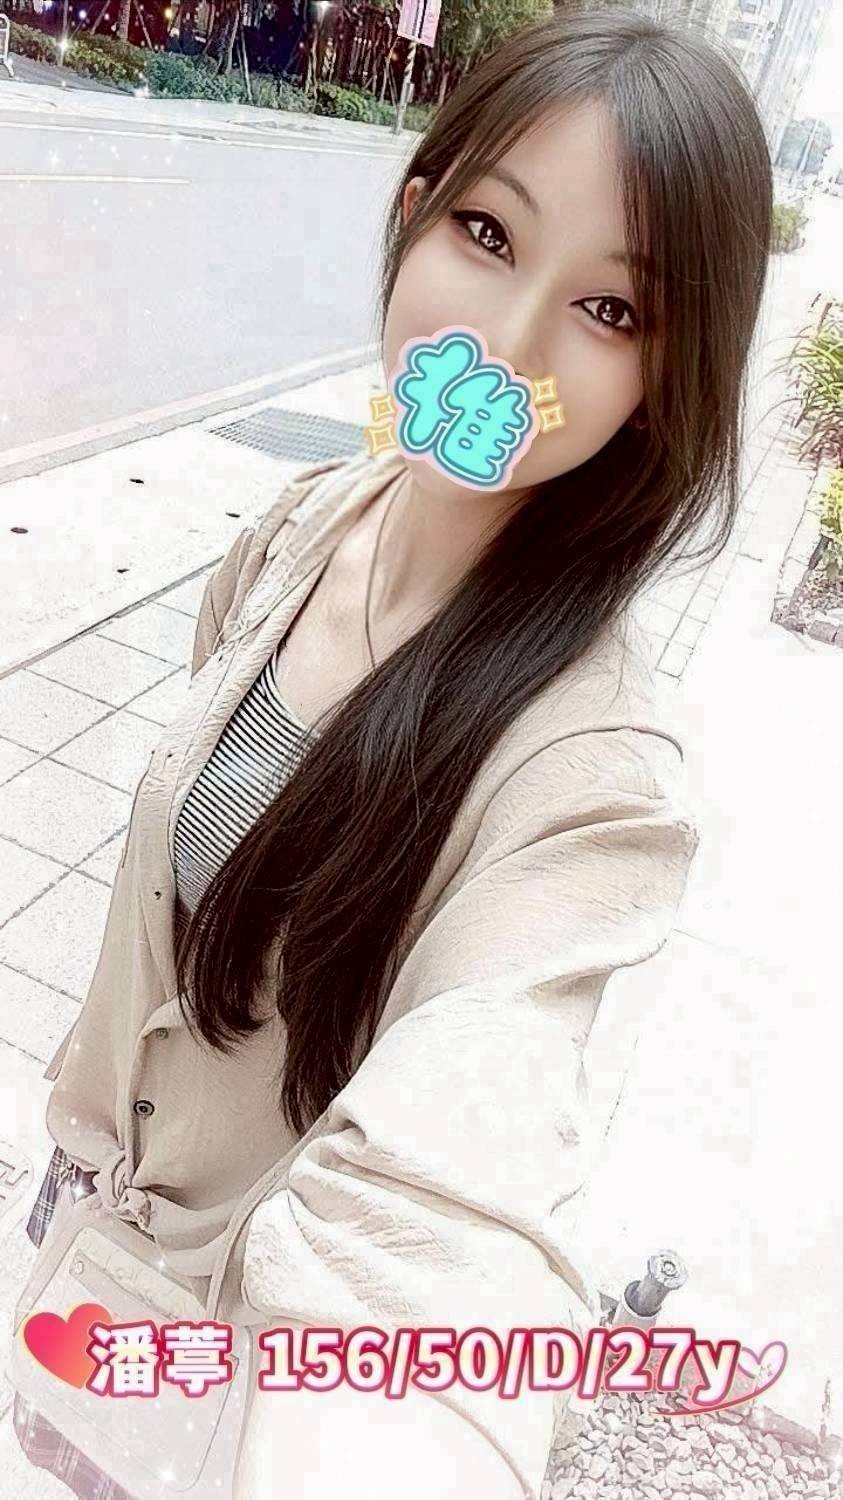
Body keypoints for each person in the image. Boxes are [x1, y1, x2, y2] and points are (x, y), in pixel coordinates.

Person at [10, 6, 772, 1497]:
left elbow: (451, 1204)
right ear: (414, 211)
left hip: (230, 1379)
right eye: (489, 233)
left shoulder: (592, 778)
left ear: (661, 382)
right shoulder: (308, 528)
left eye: (608, 310)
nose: (507, 341)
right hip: (88, 1228)